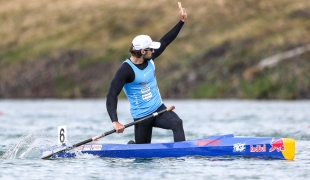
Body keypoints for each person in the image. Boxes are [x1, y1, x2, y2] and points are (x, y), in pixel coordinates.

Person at [106, 2, 187, 144]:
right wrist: (115, 121)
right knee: (142, 157)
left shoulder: (150, 57)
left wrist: (181, 22)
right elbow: (112, 94)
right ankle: (132, 146)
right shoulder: (125, 70)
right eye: (151, 49)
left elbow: (166, 41)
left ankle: (182, 156)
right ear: (143, 51)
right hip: (142, 117)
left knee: (177, 123)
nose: (154, 51)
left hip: (159, 109)